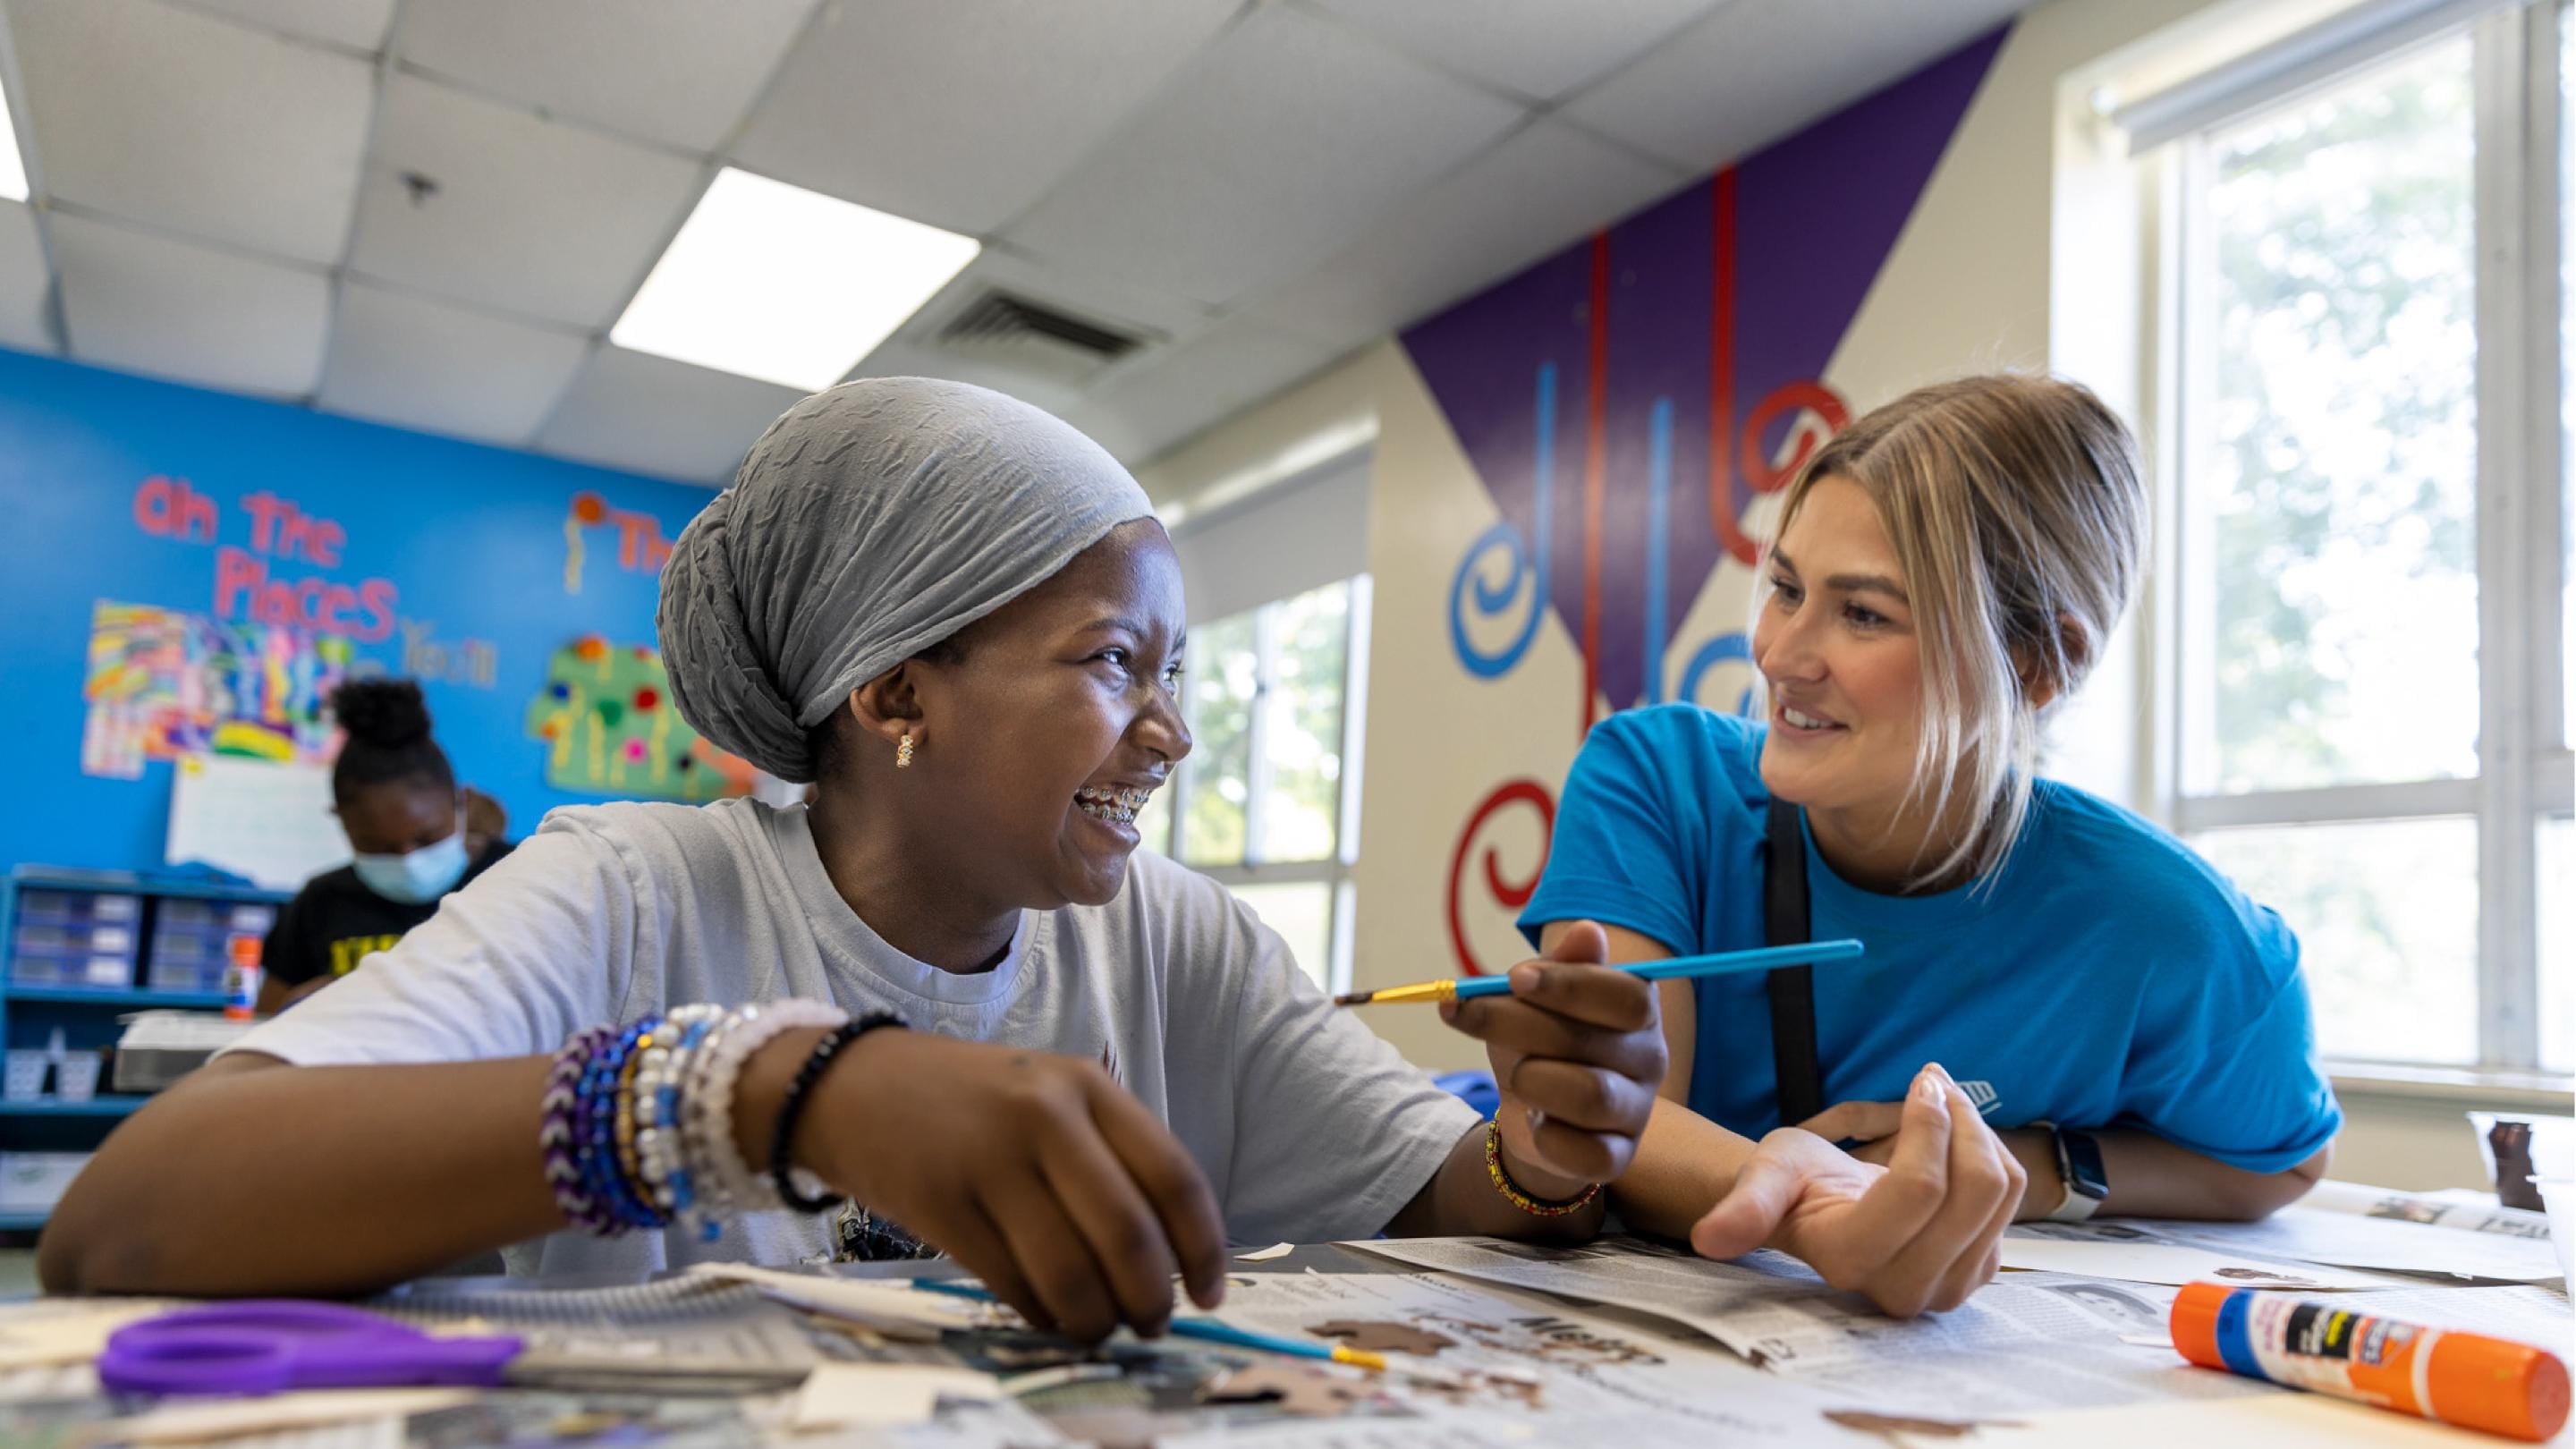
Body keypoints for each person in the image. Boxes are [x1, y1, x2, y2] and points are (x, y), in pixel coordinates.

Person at [45, 378, 1690, 1343]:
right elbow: (128, 1224)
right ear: (895, 688)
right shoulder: (638, 891)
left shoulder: (1179, 944)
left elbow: (1453, 1201)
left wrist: (1553, 1144)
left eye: (1174, 674)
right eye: (1116, 662)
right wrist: (769, 1089)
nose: (1171, 734)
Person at [1530, 375, 2340, 1298]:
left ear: (2041, 664)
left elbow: (2282, 1164)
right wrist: (1831, 1209)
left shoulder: (2179, 933)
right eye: (1786, 587)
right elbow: (1612, 1113)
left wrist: (2034, 1167)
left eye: (1865, 613)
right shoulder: (1655, 778)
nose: (1783, 656)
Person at [256, 679, 513, 1012]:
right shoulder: (321, 903)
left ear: (459, 803)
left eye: (426, 838)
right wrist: (300, 1009)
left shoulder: (515, 880)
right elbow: (264, 1022)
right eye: (378, 847)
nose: (408, 860)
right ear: (343, 824)